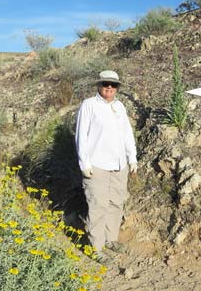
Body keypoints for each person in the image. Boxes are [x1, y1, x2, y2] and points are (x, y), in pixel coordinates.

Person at [75, 70, 137, 262]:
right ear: (99, 85)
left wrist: (132, 158)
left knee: (116, 203)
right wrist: (84, 163)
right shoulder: (89, 105)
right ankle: (97, 248)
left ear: (117, 87)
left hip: (119, 165)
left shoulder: (120, 107)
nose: (109, 88)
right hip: (97, 166)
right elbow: (81, 137)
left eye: (113, 85)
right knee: (98, 205)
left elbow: (127, 134)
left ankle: (111, 240)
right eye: (105, 84)